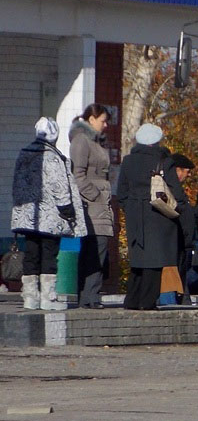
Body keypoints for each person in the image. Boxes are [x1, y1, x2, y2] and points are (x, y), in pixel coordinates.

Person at [10, 117, 87, 310]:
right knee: (49, 256)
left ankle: (30, 297)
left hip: (28, 216)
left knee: (31, 255)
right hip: (50, 217)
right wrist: (68, 210)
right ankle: (48, 297)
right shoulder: (52, 157)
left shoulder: (24, 154)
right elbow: (59, 187)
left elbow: (17, 185)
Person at [117, 123, 188, 311]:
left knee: (138, 263)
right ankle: (147, 302)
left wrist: (131, 208)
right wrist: (179, 208)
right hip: (158, 216)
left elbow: (121, 192)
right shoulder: (165, 161)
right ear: (157, 141)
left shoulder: (128, 161)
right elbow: (177, 192)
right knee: (155, 263)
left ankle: (132, 301)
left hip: (135, 216)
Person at [70, 103, 113, 309]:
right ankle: (89, 296)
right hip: (92, 205)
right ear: (91, 119)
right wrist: (94, 194)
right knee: (95, 249)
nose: (105, 125)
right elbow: (77, 174)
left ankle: (90, 296)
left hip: (100, 204)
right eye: (103, 121)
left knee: (97, 250)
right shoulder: (82, 141)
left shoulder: (97, 142)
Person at [172, 154, 198, 305]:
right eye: (187, 171)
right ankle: (181, 297)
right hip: (180, 236)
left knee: (183, 269)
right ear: (178, 170)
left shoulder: (177, 188)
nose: (189, 174)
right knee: (180, 269)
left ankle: (183, 297)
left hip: (184, 237)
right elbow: (183, 211)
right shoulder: (173, 188)